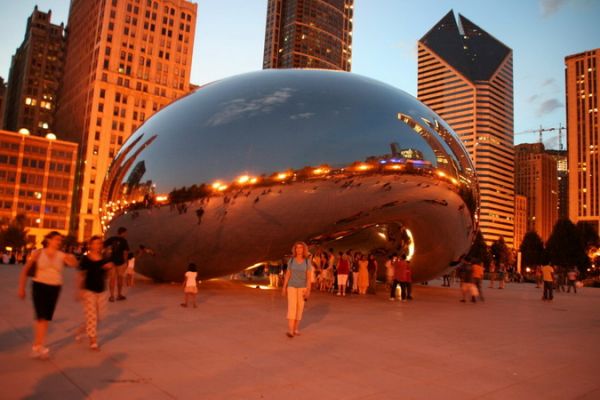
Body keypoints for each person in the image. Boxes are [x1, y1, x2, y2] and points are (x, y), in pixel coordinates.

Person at [17, 231, 78, 359]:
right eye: (56, 239)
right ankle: (37, 345)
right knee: (40, 316)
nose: (59, 242)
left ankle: (39, 345)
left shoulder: (62, 255)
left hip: (55, 287)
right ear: (49, 240)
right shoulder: (38, 253)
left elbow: (74, 264)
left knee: (46, 318)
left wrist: (72, 258)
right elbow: (25, 270)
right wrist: (21, 288)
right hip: (39, 286)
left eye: (60, 240)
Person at [75, 235, 113, 350]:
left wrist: (109, 268)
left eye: (100, 243)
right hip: (88, 290)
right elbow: (80, 274)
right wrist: (79, 290)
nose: (98, 245)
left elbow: (109, 276)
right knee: (92, 316)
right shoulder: (85, 259)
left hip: (101, 290)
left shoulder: (105, 258)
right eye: (96, 243)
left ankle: (81, 329)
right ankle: (93, 340)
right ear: (90, 245)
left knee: (100, 316)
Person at [282, 242, 311, 338]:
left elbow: (309, 277)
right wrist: (284, 287)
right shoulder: (291, 260)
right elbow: (288, 274)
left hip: (302, 287)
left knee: (300, 308)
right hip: (292, 286)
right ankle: (290, 331)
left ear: (304, 249)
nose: (299, 250)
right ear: (295, 249)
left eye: (301, 248)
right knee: (292, 307)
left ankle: (295, 328)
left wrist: (308, 290)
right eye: (297, 248)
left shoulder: (307, 261)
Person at [103, 227, 130, 302]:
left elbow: (103, 245)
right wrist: (126, 261)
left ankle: (111, 296)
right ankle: (119, 294)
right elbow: (125, 252)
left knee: (112, 279)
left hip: (111, 261)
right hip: (120, 262)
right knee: (120, 278)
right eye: (126, 233)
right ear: (123, 233)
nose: (126, 234)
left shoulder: (111, 239)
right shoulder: (124, 241)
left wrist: (106, 253)